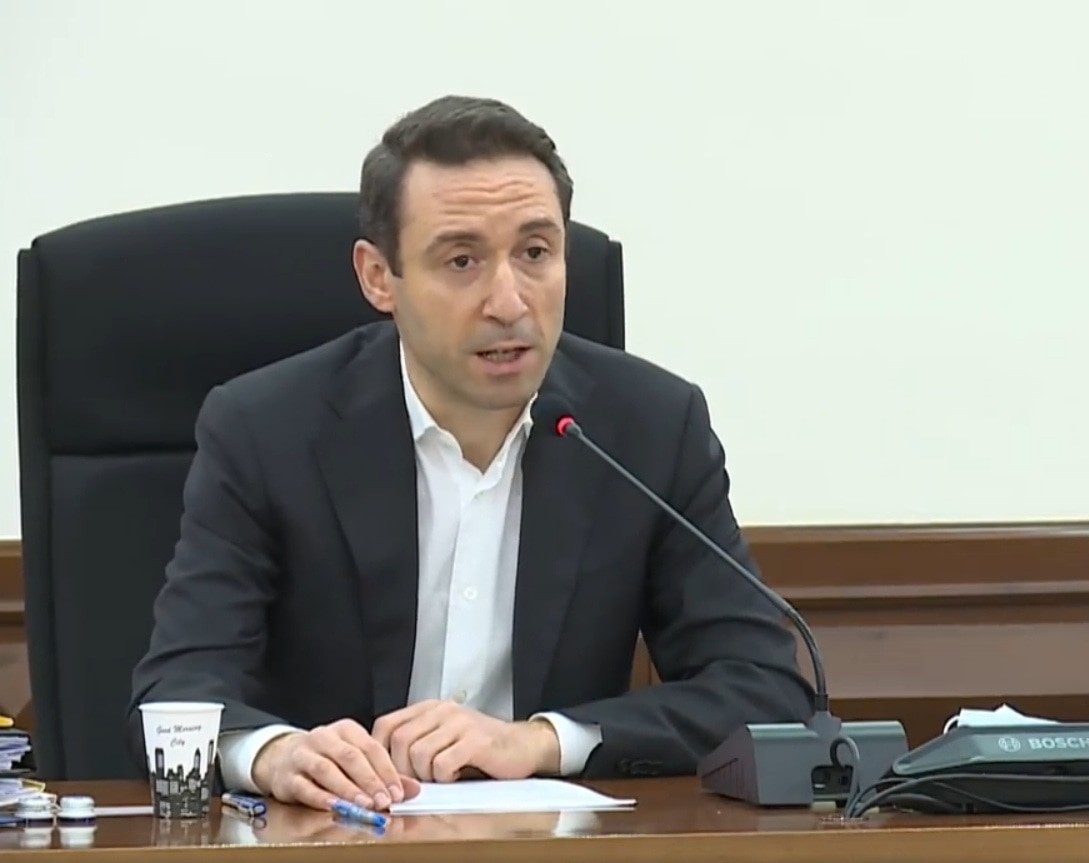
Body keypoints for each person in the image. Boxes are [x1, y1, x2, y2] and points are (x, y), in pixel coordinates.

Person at [128, 95, 815, 813]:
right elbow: (175, 693)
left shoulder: (648, 428)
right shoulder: (265, 430)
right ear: (378, 277)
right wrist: (274, 753)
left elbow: (763, 689)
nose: (509, 302)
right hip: (326, 840)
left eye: (535, 253)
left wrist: (542, 740)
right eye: (462, 260)